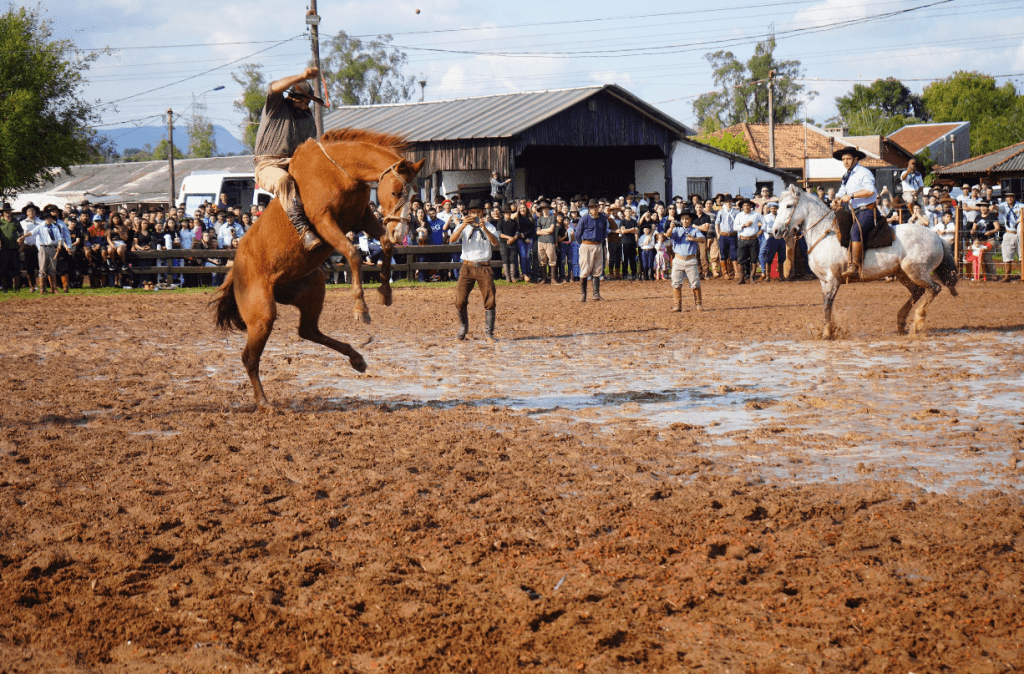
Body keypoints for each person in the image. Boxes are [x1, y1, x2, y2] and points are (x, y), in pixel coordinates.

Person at [252, 66, 324, 251]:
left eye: (308, 102)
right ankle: (303, 230)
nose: (305, 105)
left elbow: (309, 148)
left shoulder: (308, 119)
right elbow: (274, 88)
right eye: (301, 101)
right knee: (284, 180)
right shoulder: (275, 107)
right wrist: (301, 76)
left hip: (295, 164)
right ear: (291, 97)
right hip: (268, 164)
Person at [450, 199, 499, 342]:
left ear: (483, 213)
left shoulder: (489, 226)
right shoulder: (463, 226)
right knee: (460, 299)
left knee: (490, 299)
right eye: (473, 212)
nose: (476, 215)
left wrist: (484, 228)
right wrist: (462, 225)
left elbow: (495, 242)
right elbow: (452, 239)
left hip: (484, 266)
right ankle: (463, 327)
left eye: (478, 212)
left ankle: (489, 333)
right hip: (467, 267)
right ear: (468, 213)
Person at [832, 146, 877, 280]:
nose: (845, 161)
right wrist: (837, 198)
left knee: (855, 232)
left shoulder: (864, 172)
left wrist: (851, 195)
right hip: (853, 211)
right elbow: (842, 190)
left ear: (856, 159)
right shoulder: (847, 175)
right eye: (843, 159)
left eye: (848, 158)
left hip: (867, 210)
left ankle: (854, 266)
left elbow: (870, 191)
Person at [668, 207, 705, 312]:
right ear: (680, 220)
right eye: (683, 219)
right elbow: (668, 235)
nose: (685, 221)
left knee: (695, 283)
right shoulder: (676, 230)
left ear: (690, 219)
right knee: (676, 283)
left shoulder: (695, 230)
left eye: (687, 218)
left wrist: (694, 239)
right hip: (678, 259)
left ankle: (698, 304)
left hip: (690, 260)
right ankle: (677, 306)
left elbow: (703, 239)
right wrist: (670, 228)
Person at [576, 198, 608, 302]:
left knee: (597, 270)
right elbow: (577, 234)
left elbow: (604, 232)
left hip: (598, 245)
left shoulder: (602, 218)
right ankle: (583, 294)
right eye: (592, 207)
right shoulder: (584, 219)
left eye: (595, 207)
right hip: (586, 245)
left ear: (599, 207)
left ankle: (596, 294)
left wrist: (601, 242)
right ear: (589, 209)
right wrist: (582, 244)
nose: (594, 209)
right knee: (585, 269)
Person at [733, 198, 764, 285]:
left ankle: (752, 278)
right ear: (742, 207)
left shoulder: (756, 214)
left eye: (748, 205)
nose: (746, 207)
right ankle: (741, 278)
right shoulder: (739, 215)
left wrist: (760, 231)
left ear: (751, 206)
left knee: (753, 260)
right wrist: (744, 225)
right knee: (740, 260)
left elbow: (765, 222)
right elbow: (735, 227)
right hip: (742, 239)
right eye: (744, 205)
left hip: (753, 239)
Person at [998, 193, 1021, 282]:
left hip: (1020, 233)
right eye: (1008, 197)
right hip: (1008, 233)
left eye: (1011, 196)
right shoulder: (1003, 206)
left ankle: (1022, 275)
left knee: (1022, 255)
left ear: (1014, 197)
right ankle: (1007, 276)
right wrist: (994, 207)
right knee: (1006, 255)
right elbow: (997, 208)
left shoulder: (1021, 206)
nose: (1009, 198)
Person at [714, 195, 738, 279]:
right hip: (723, 235)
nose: (728, 203)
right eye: (727, 201)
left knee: (733, 253)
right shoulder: (721, 212)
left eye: (730, 201)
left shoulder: (736, 212)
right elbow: (717, 222)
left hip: (732, 235)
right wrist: (718, 233)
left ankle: (736, 272)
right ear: (724, 203)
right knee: (723, 253)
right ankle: (725, 273)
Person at [0, 203, 22, 291]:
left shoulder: (16, 221)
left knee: (16, 269)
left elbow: (21, 233)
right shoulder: (1, 222)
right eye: (5, 211)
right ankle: (5, 288)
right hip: (4, 249)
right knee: (4, 269)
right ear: (3, 213)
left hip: (15, 248)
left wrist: (21, 244)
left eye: (8, 211)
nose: (7, 213)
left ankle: (17, 288)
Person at [535, 200, 558, 284]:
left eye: (546, 208)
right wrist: (546, 231)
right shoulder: (539, 219)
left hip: (550, 241)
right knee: (542, 260)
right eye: (543, 209)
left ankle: (553, 279)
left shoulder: (552, 217)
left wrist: (542, 231)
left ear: (548, 209)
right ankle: (544, 278)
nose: (544, 210)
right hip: (541, 241)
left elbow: (552, 229)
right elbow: (537, 232)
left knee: (552, 259)